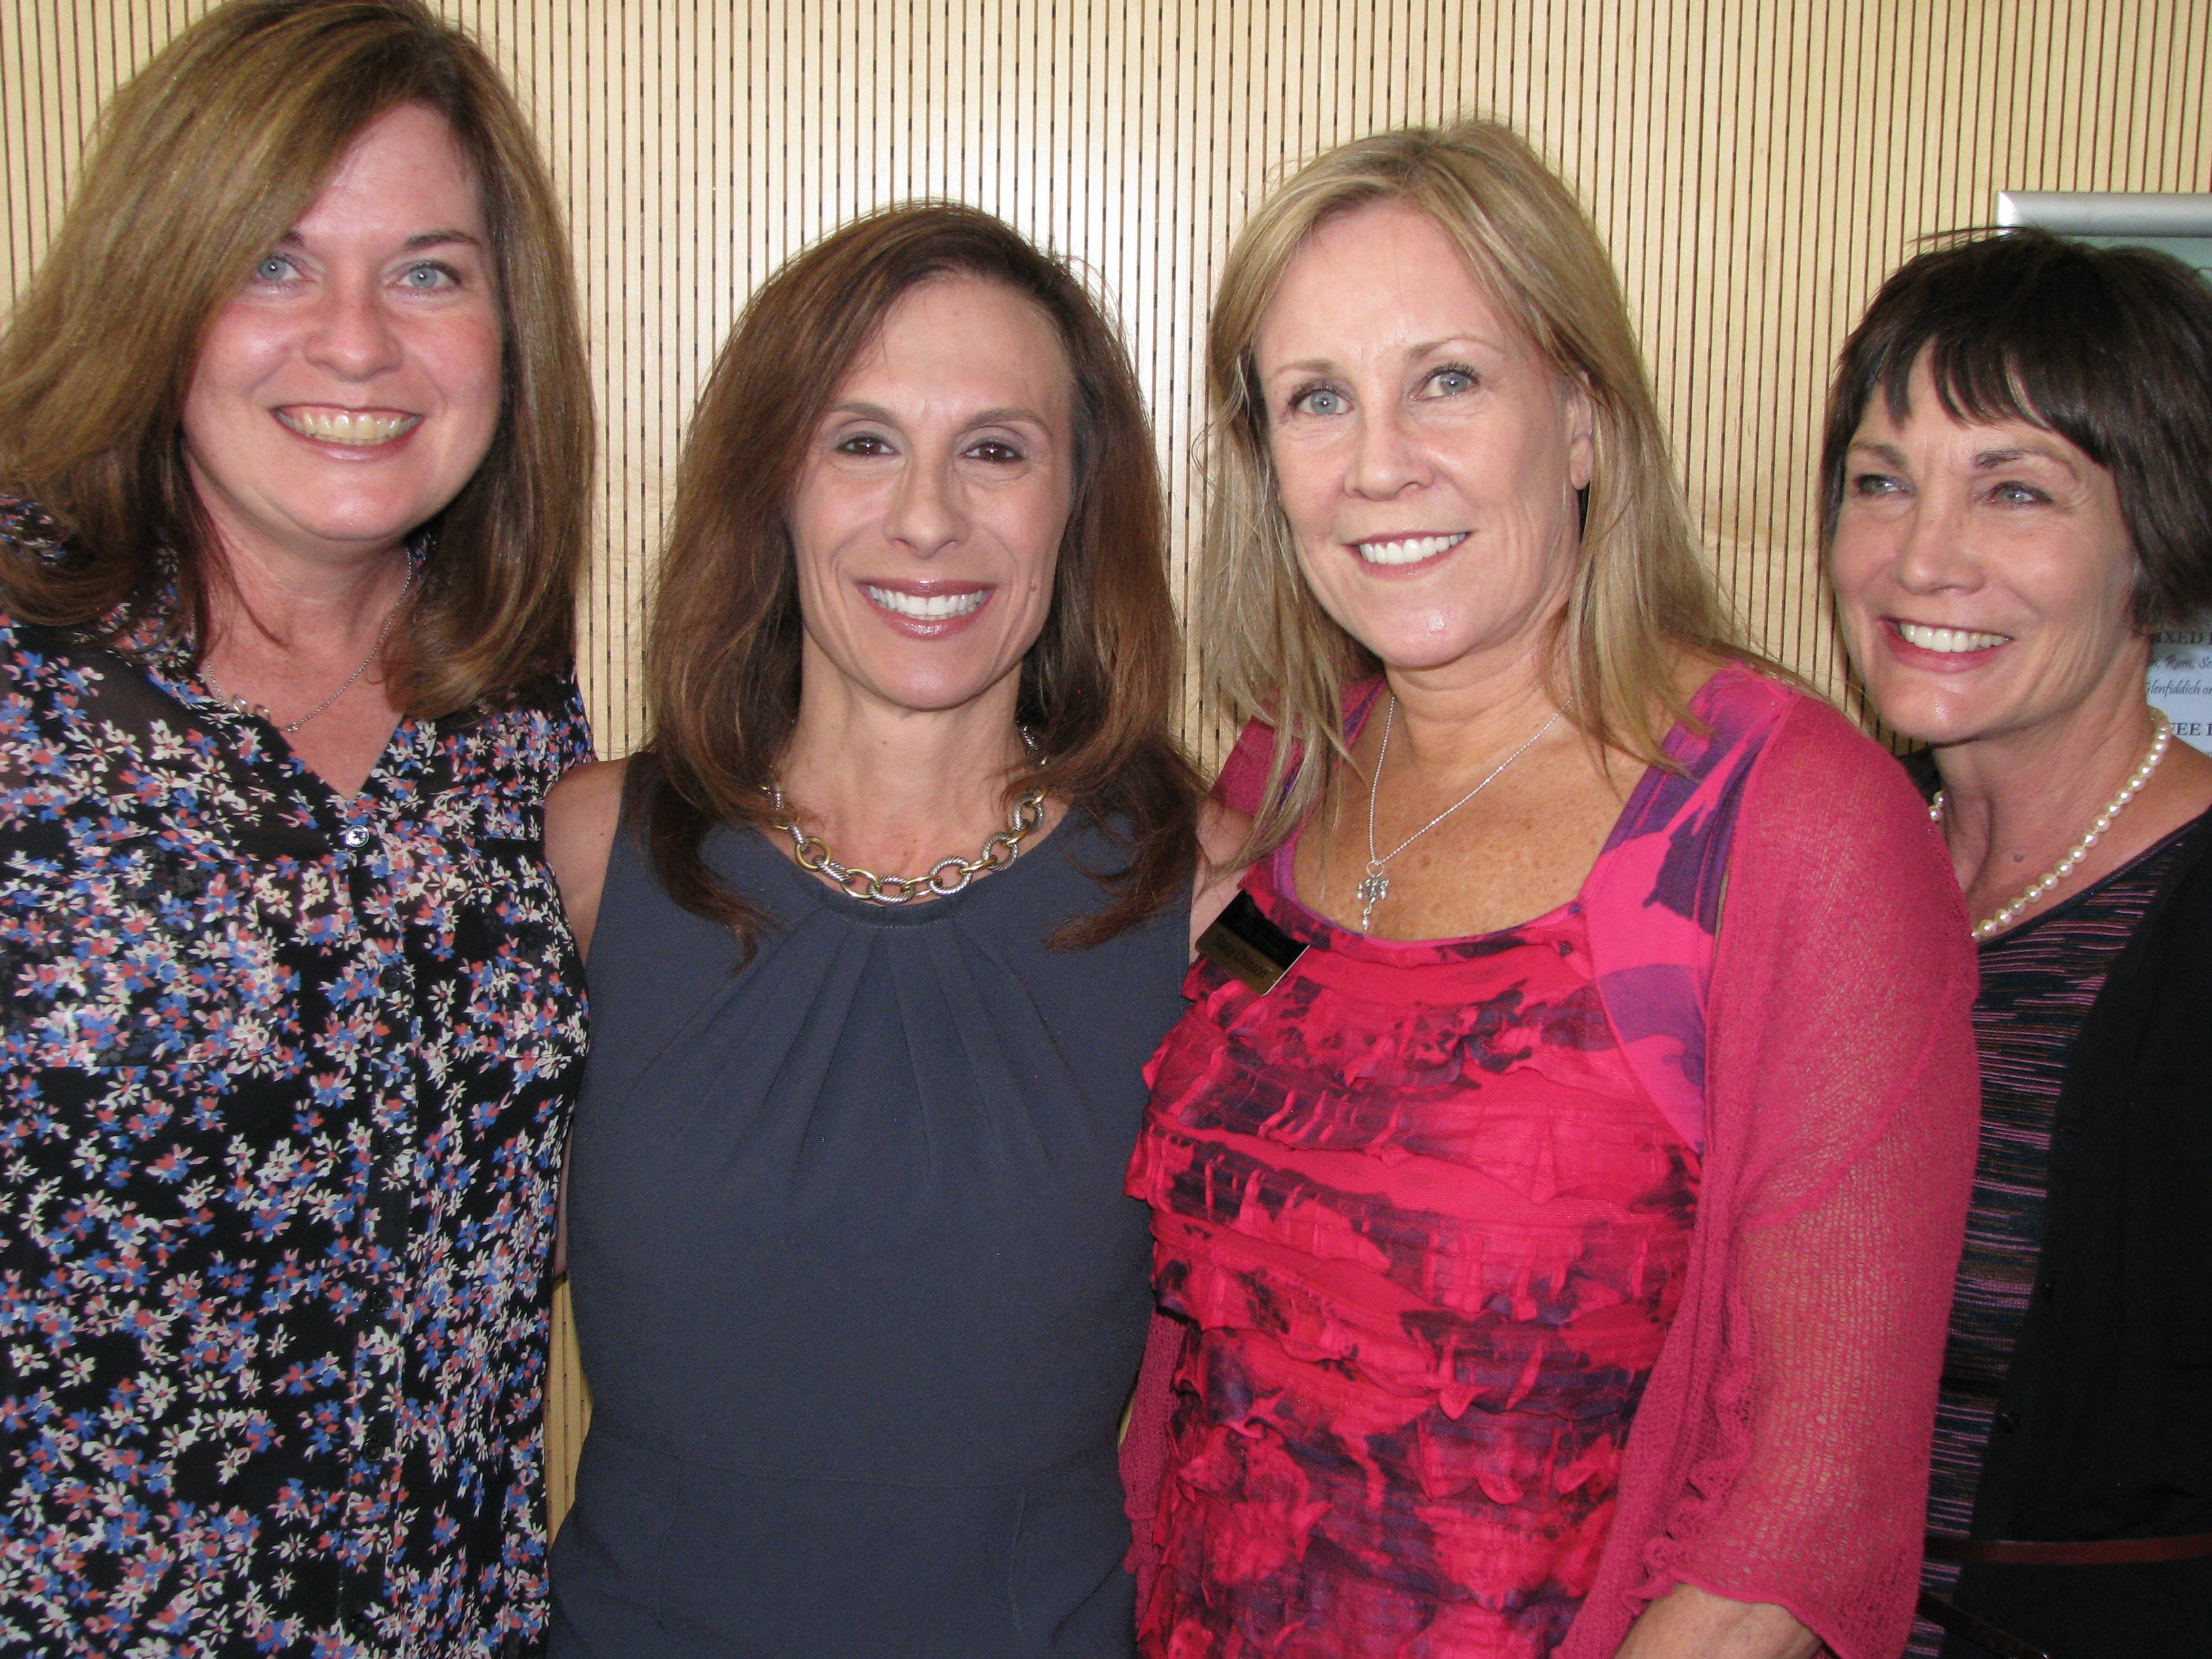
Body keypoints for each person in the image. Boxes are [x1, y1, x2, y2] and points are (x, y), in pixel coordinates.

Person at [1118, 117, 1983, 1659]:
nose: (1381, 461)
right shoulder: (1289, 770)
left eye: (1447, 378)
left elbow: (1797, 1520)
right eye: (1319, 399)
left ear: (1582, 417)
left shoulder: (1783, 827)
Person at [543, 202, 1224, 1659]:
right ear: (770, 486)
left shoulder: (1204, 893)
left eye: (996, 449)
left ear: (1075, 503)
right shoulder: (594, 854)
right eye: (862, 442)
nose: (928, 517)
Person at [0, 2, 594, 1652]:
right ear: (154, 286)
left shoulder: (513, 701)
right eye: (272, 260)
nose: (354, 342)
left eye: (428, 271)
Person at [1824, 230, 2212, 1659]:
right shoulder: (1816, 869)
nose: (1923, 557)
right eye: (1882, 482)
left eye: (2017, 491)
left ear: (2157, 539)